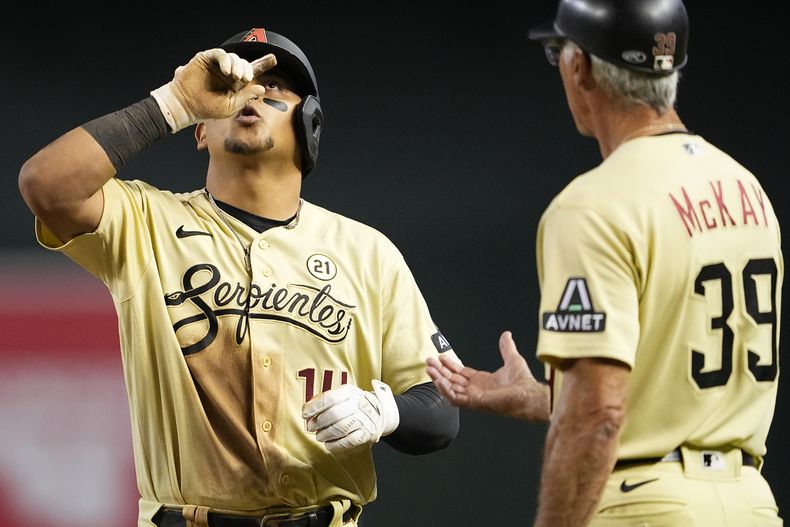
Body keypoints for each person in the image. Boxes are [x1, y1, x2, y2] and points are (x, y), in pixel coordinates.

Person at [18, 26, 460, 527]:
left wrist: (385, 412)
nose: (252, 93)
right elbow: (46, 184)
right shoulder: (145, 223)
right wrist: (175, 103)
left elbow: (442, 406)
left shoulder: (368, 253)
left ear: (310, 125)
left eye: (274, 88)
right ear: (200, 131)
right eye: (234, 87)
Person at [426, 0, 784, 525]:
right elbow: (664, 392)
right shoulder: (745, 188)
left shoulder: (593, 204)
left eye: (559, 53)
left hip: (648, 507)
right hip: (751, 502)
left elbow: (598, 416)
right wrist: (540, 396)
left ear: (581, 66)